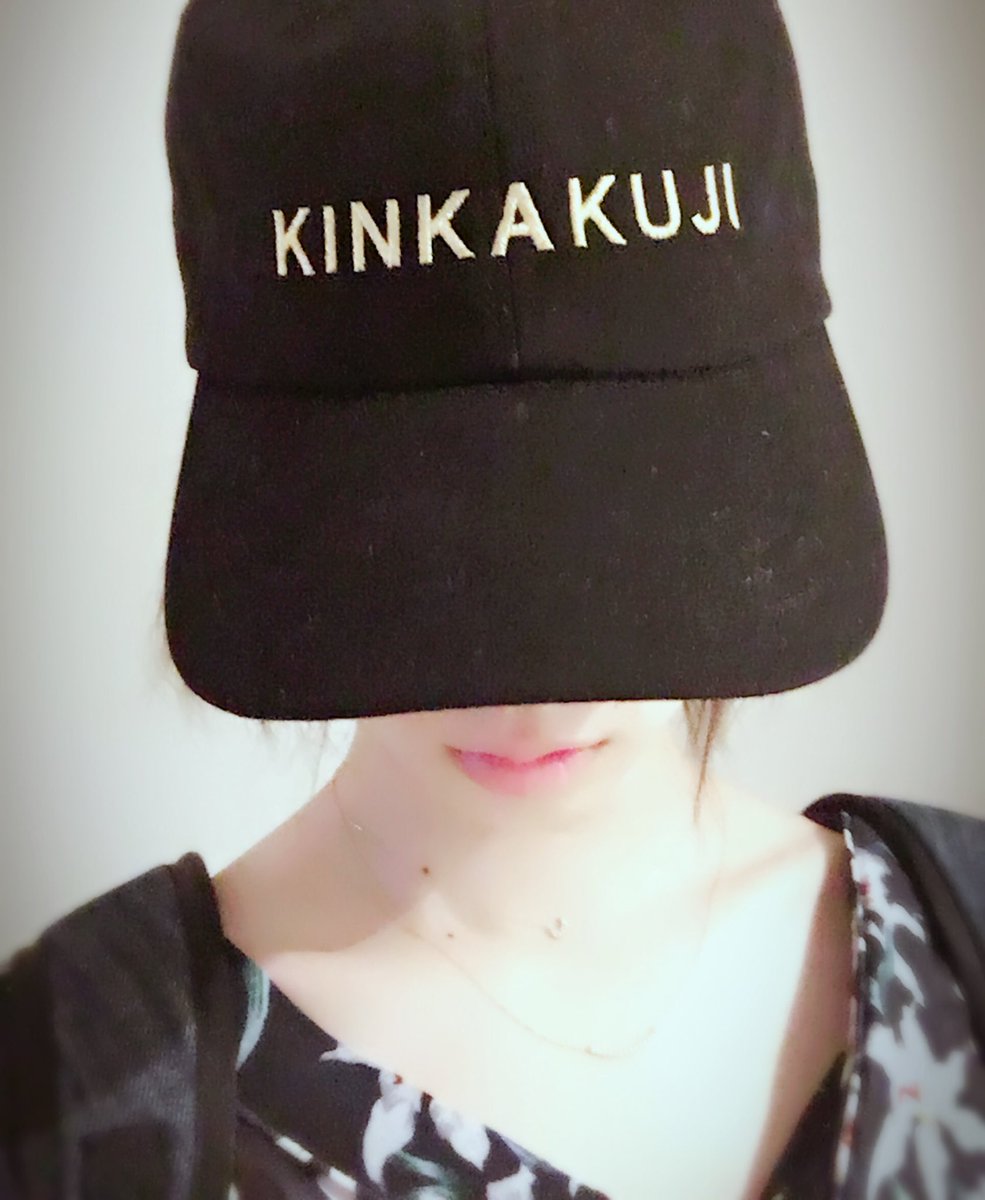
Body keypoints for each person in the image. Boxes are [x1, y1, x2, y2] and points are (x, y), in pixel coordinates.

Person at [2, 0, 984, 1198]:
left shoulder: (962, 933)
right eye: (425, 558)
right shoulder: (68, 1091)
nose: (535, 693)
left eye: (633, 520)